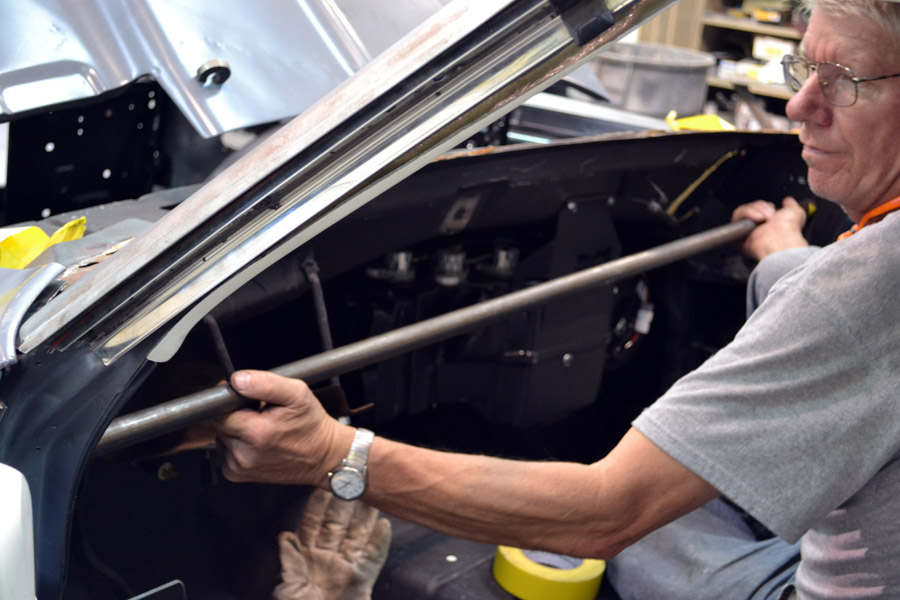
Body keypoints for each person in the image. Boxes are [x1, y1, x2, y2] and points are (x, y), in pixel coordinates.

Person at [215, 1, 900, 598]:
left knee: (635, 524)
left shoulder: (860, 286)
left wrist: (332, 454)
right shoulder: (854, 274)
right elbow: (841, 303)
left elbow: (604, 515)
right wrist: (782, 255)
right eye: (805, 69)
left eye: (843, 80)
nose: (799, 106)